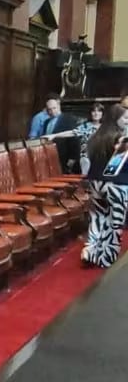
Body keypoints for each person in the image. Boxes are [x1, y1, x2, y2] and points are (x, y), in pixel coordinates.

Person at [81, 103, 128, 268]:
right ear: (116, 119)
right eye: (126, 118)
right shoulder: (121, 138)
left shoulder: (97, 136)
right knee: (115, 221)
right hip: (116, 184)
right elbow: (117, 165)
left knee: (98, 218)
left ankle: (90, 251)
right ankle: (107, 258)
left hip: (95, 183)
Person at [42, 101, 103, 174]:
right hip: (87, 158)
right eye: (94, 111)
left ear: (102, 113)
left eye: (99, 111)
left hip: (102, 158)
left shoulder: (106, 127)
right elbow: (71, 132)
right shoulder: (86, 126)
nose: (96, 113)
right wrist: (54, 135)